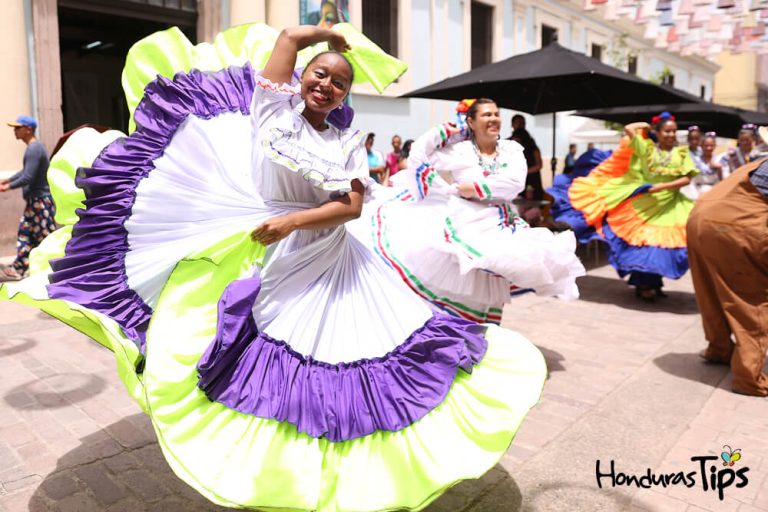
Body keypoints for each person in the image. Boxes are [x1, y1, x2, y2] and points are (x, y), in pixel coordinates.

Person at [1, 25, 546, 512]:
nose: (327, 85)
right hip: (272, 242)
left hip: (329, 256)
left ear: (344, 97)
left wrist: (294, 223)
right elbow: (286, 38)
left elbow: (352, 206)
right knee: (226, 333)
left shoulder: (346, 141)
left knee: (340, 355)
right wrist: (331, 35)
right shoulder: (271, 109)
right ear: (303, 75)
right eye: (320, 74)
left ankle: (331, 476)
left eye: (338, 83)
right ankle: (270, 469)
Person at [351, 98, 585, 324]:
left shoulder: (511, 149)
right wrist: (445, 131)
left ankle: (482, 334)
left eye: (496, 114)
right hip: (462, 220)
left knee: (491, 281)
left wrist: (471, 188)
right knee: (459, 281)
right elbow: (419, 157)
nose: (493, 119)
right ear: (471, 122)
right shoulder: (460, 150)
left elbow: (514, 182)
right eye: (486, 114)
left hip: (499, 223)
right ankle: (454, 332)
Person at [568, 114, 698, 301]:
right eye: (667, 131)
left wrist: (661, 187)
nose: (671, 134)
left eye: (673, 131)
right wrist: (646, 125)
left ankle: (654, 283)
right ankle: (644, 284)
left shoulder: (682, 153)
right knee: (645, 245)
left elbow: (687, 178)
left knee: (664, 247)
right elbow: (629, 128)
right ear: (659, 133)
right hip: (644, 205)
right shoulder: (646, 148)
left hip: (670, 205)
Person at [687, 154, 768, 396]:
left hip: (701, 217)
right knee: (749, 300)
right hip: (735, 226)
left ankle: (719, 348)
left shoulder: (762, 161)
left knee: (710, 291)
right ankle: (748, 378)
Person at [0, 115, 56, 280]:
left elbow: (27, 177)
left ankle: (55, 270)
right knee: (26, 235)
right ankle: (19, 268)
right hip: (36, 201)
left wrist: (7, 187)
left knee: (44, 238)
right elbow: (24, 173)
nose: (14, 131)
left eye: (18, 128)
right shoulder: (34, 148)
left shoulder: (34, 149)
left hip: (40, 202)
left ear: (28, 129)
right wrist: (7, 180)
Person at [509, 114, 544, 200]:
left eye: (522, 123)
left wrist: (524, 172)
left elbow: (539, 165)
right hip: (515, 181)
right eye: (519, 123)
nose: (521, 125)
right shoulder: (508, 143)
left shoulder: (531, 144)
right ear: (512, 125)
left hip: (531, 181)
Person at [688, 131, 723, 198]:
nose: (708, 148)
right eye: (706, 145)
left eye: (711, 145)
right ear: (701, 146)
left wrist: (719, 168)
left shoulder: (718, 160)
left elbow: (722, 182)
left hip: (713, 193)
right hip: (696, 192)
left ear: (715, 146)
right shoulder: (695, 160)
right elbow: (691, 180)